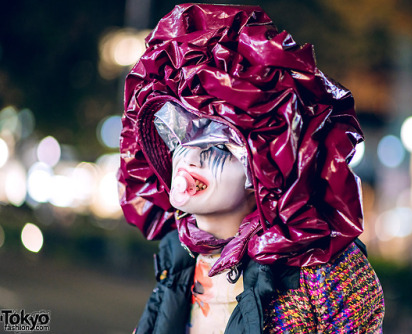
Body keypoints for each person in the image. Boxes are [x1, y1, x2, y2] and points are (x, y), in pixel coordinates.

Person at [118, 4, 384, 333]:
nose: (189, 157)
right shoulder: (179, 258)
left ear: (264, 165)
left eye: (218, 145)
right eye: (179, 136)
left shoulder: (322, 270)